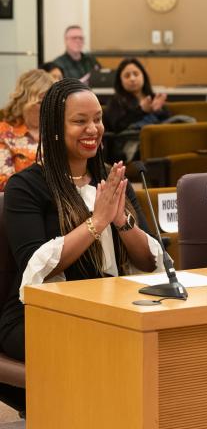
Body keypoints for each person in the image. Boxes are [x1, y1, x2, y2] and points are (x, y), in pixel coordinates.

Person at [0, 79, 164, 409]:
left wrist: (121, 221)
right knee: (110, 347)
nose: (93, 129)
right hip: (39, 316)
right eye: (79, 121)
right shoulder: (26, 187)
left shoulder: (112, 180)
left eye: (98, 118)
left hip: (109, 308)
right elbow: (36, 266)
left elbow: (149, 262)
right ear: (55, 129)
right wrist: (96, 223)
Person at [0, 69, 55, 191]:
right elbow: (3, 183)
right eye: (41, 102)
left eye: (51, 102)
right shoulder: (4, 133)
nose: (48, 108)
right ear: (23, 102)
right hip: (20, 201)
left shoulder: (57, 131)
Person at [103, 58, 171, 134]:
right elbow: (117, 127)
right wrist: (141, 111)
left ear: (143, 76)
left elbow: (167, 123)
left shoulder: (153, 97)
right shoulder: (116, 101)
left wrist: (159, 110)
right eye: (127, 76)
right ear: (120, 81)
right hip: (131, 141)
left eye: (136, 74)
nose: (132, 79)